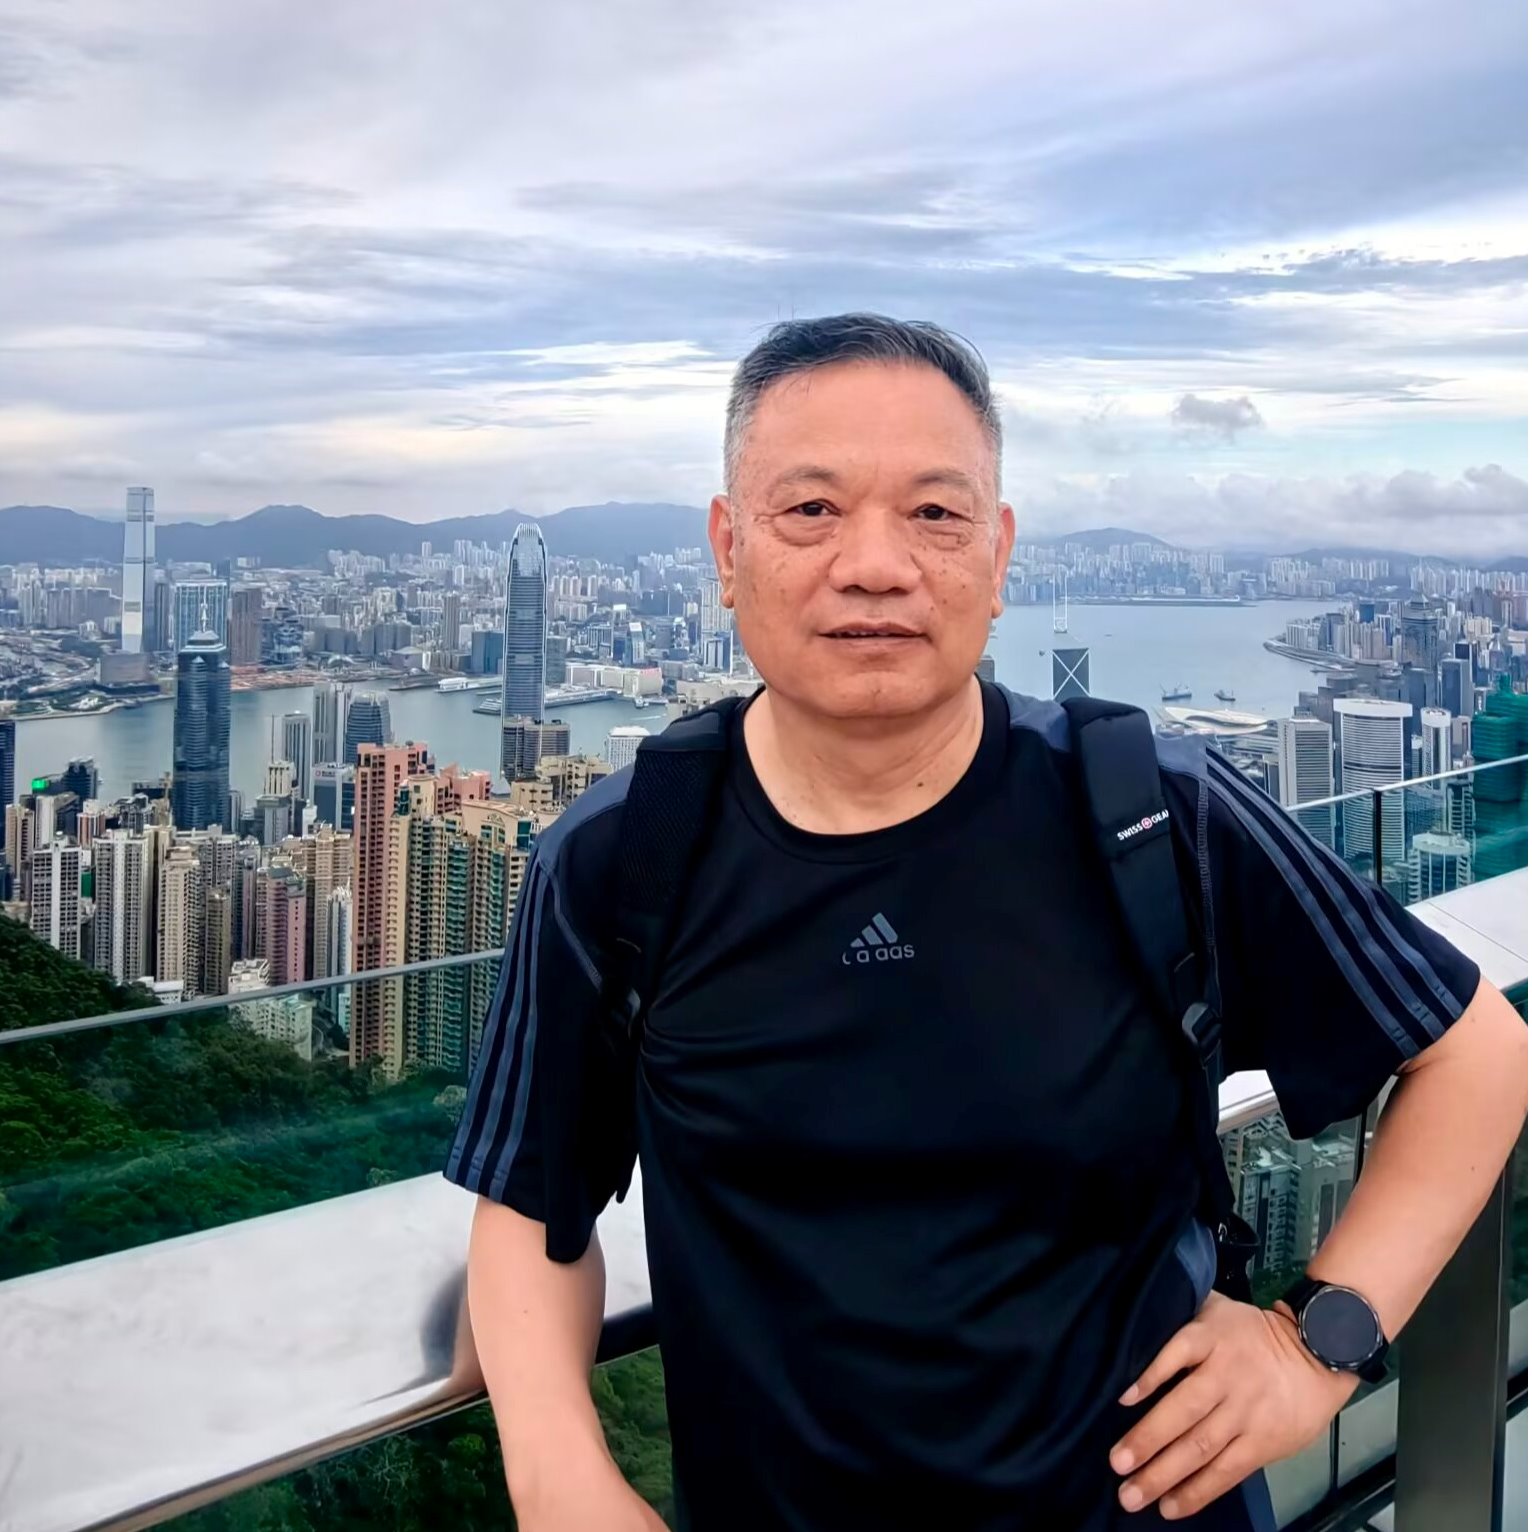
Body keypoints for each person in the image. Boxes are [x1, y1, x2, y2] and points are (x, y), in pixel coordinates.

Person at [445, 314, 1527, 1531]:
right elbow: (531, 1197)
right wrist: (560, 1477)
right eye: (810, 509)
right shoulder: (621, 857)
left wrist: (1312, 1341)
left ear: (998, 553)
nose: (873, 563)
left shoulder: (1149, 811)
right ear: (727, 547)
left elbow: (1475, 1051)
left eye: (933, 513)